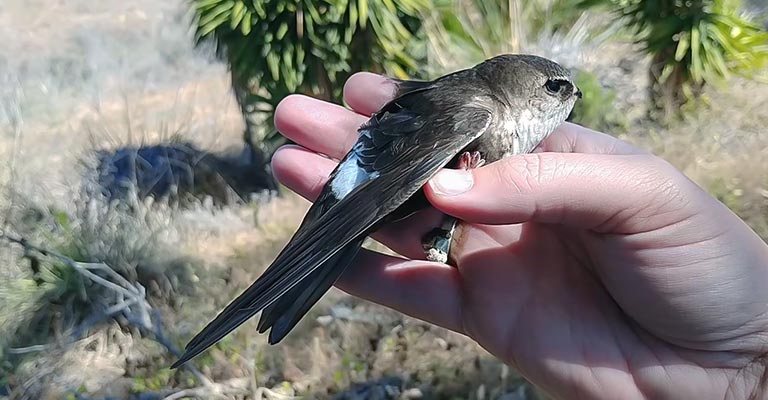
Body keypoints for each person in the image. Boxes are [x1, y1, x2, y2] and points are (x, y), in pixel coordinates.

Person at [271, 72, 768, 399]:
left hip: (388, 194)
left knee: (340, 243)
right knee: (340, 237)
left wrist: (750, 357)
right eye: (556, 87)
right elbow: (381, 180)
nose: (570, 99)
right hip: (369, 183)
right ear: (524, 83)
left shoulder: (493, 114)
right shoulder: (478, 108)